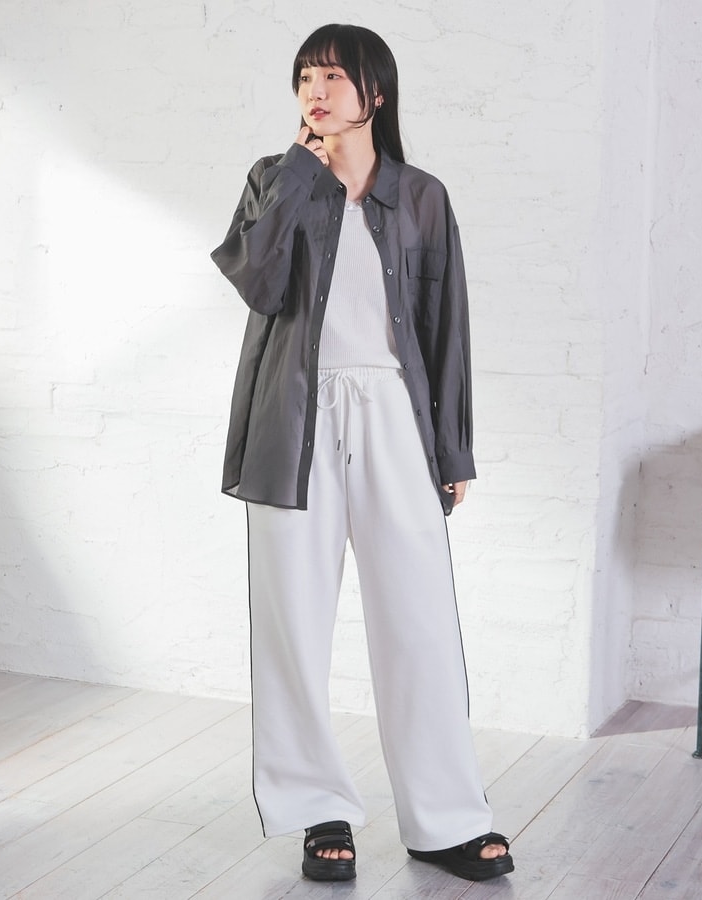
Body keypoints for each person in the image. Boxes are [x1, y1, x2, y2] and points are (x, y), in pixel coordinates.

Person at [210, 23, 514, 884]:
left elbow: (446, 327)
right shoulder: (274, 179)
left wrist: (451, 448)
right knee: (292, 627)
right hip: (291, 422)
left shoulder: (421, 197)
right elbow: (257, 281)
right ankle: (318, 811)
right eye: (306, 76)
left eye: (334, 77)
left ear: (375, 93)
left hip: (393, 419)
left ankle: (446, 820)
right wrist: (302, 172)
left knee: (420, 624)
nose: (316, 90)